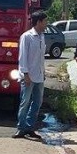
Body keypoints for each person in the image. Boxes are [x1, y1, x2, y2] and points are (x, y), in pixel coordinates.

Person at [13, 10, 47, 140]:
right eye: (45, 22)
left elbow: (41, 58)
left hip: (39, 76)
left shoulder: (42, 36)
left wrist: (43, 72)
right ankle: (21, 128)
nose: (46, 24)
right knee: (25, 102)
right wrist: (25, 74)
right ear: (38, 22)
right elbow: (23, 57)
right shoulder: (26, 36)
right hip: (28, 76)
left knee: (37, 102)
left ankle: (30, 127)